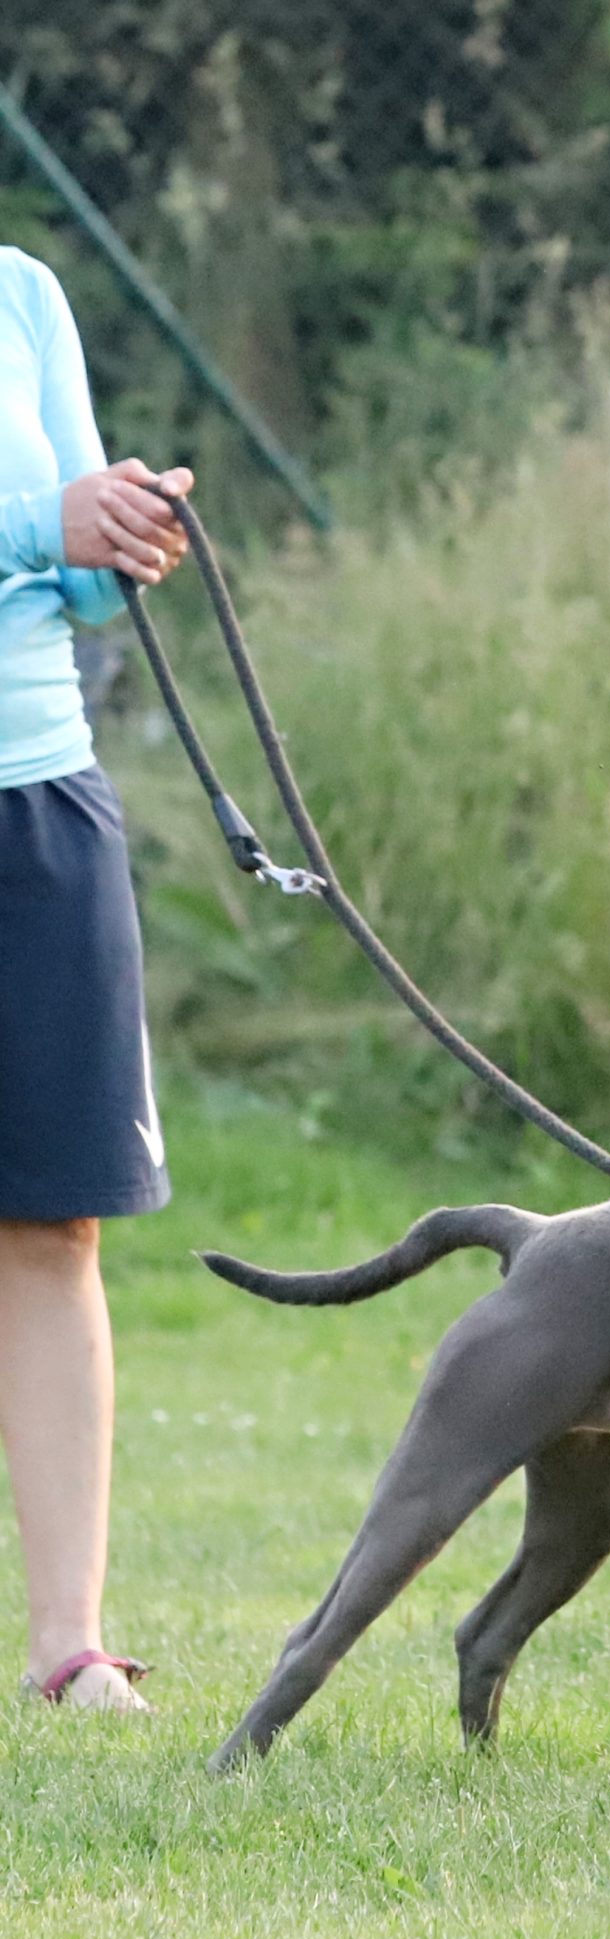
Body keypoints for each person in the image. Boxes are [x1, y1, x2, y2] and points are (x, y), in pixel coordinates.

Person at [1, 243, 197, 1713]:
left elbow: (70, 600)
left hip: (40, 799)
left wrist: (115, 539)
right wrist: (37, 517)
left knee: (55, 1225)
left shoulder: (22, 292)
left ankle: (68, 1645)